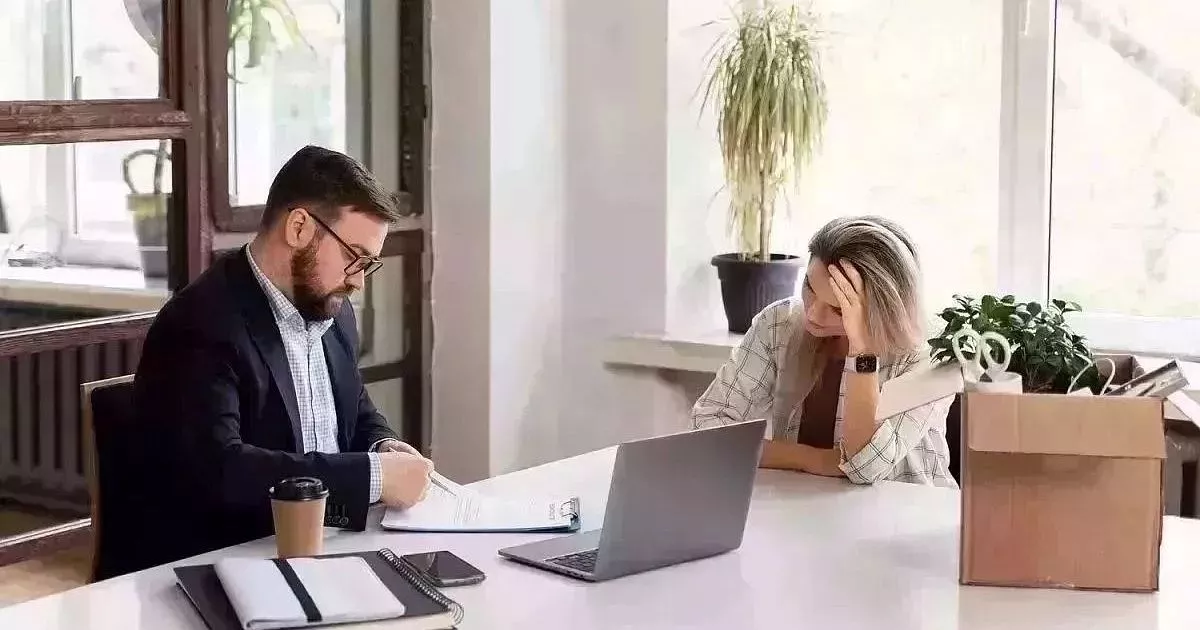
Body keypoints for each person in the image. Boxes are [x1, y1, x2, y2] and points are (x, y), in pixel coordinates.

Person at [129, 146, 433, 573]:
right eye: (354, 257)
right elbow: (220, 470)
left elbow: (355, 409)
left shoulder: (332, 307)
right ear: (298, 227)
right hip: (223, 566)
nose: (359, 283)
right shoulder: (199, 322)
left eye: (368, 264)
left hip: (325, 552)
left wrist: (382, 445)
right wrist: (375, 477)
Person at [691, 216, 955, 487]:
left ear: (884, 310)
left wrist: (862, 350)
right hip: (804, 502)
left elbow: (865, 467)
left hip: (909, 507)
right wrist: (812, 459)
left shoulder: (931, 353)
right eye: (809, 287)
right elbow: (706, 429)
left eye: (839, 308)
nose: (813, 314)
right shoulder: (779, 324)